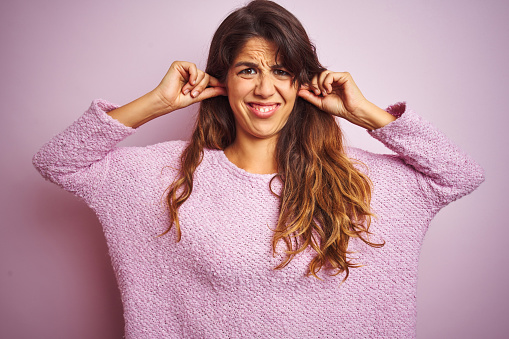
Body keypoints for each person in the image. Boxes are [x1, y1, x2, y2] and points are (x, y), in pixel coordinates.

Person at [33, 0, 484, 337]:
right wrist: (157, 103)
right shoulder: (164, 177)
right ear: (222, 80)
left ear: (300, 82)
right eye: (248, 70)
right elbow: (58, 162)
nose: (265, 88)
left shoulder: (358, 179)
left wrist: (365, 114)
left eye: (282, 71)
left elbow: (459, 175)